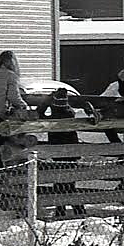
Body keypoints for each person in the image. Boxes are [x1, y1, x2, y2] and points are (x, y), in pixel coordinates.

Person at [39, 87, 84, 216]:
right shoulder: (70, 113)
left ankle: (64, 210)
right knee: (69, 184)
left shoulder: (54, 117)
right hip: (71, 154)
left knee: (60, 183)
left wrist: (46, 102)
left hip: (59, 154)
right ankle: (76, 210)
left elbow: (39, 113)